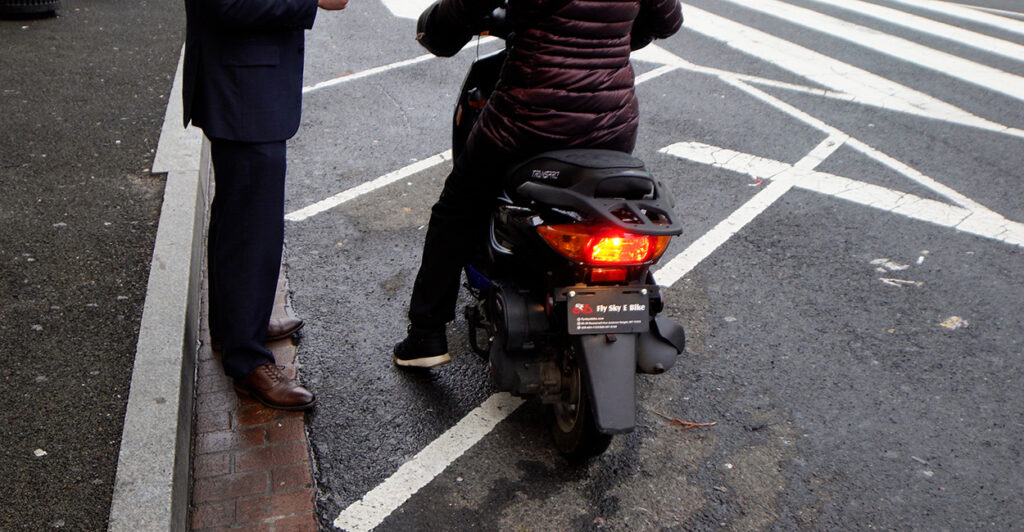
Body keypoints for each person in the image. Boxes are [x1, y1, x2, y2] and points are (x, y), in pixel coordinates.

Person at [393, 0, 683, 368]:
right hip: (612, 126)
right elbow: (667, 21)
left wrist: (438, 28)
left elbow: (452, 22)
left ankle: (426, 335)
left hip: (526, 122)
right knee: (606, 206)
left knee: (458, 207)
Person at [183, 0, 348, 409]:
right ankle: (247, 359)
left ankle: (236, 326)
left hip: (243, 79)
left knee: (237, 214)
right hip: (242, 85)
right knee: (252, 229)